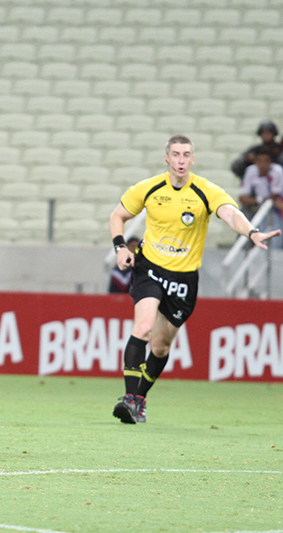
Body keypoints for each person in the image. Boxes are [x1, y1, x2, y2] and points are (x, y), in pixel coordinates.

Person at [109, 135, 280, 424]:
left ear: (192, 159)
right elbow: (117, 215)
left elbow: (230, 214)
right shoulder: (149, 188)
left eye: (186, 154)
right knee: (144, 326)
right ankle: (129, 399)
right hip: (150, 268)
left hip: (183, 279)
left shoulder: (205, 190)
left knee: (160, 346)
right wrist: (120, 247)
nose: (181, 160)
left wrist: (251, 232)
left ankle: (140, 398)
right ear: (167, 158)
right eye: (176, 154)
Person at [238, 148, 283, 248]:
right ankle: (245, 246)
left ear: (270, 162)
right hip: (258, 205)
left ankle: (276, 246)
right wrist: (259, 201)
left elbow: (275, 195)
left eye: (265, 161)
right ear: (255, 162)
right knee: (241, 215)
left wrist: (261, 201)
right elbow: (243, 197)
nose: (262, 165)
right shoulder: (251, 171)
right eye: (259, 161)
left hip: (274, 205)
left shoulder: (277, 171)